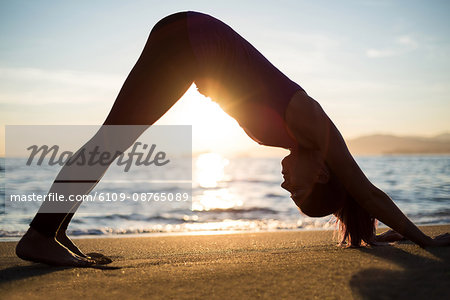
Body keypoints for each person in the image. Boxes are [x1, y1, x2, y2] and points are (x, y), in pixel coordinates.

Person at [16, 11, 450, 267]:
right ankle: (40, 234)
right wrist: (426, 241)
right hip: (187, 42)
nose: (283, 185)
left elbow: (358, 201)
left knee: (114, 140)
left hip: (188, 48)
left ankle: (54, 231)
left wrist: (379, 236)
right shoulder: (314, 125)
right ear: (320, 173)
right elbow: (367, 192)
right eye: (295, 189)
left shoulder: (301, 142)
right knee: (113, 139)